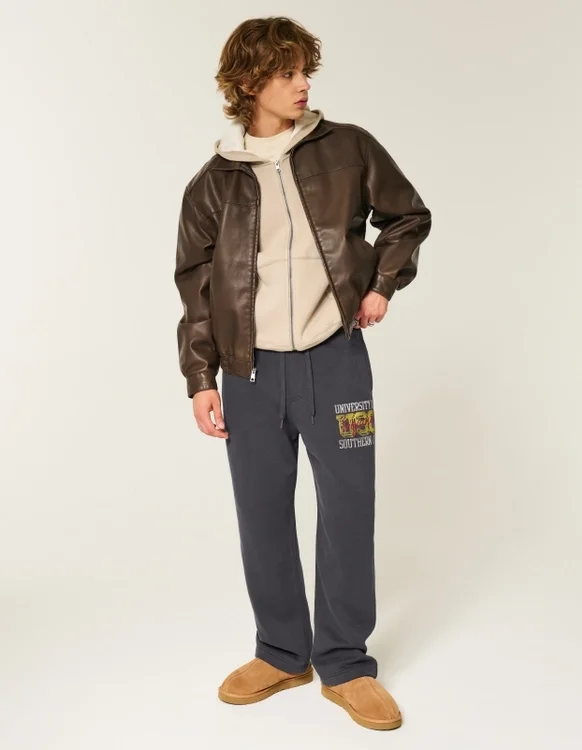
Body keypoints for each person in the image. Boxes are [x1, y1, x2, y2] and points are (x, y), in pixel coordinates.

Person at [174, 16, 432, 732]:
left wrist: (382, 284)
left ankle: (345, 661)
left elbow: (407, 216)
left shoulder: (347, 148)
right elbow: (196, 290)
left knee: (348, 508)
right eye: (287, 72)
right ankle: (283, 652)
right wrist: (200, 378)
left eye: (304, 70)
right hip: (247, 374)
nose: (303, 83)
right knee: (261, 512)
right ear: (249, 82)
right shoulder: (212, 185)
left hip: (336, 362)